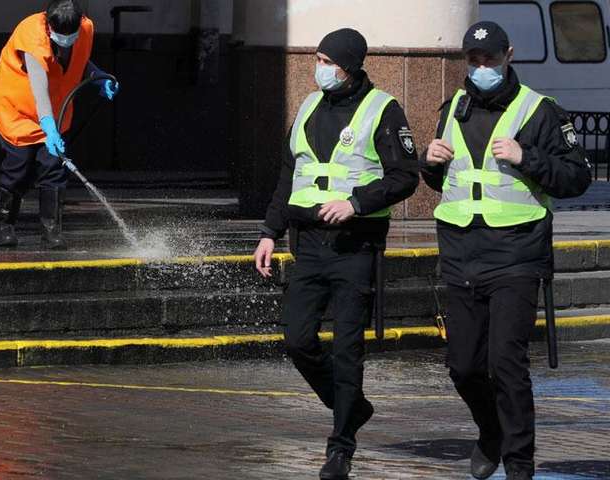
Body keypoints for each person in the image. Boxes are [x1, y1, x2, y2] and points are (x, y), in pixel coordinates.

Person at [420, 21, 591, 480]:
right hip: (461, 253)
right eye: (473, 60)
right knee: (463, 368)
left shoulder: (540, 111)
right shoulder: (453, 108)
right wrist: (428, 163)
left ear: (508, 55)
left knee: (506, 363)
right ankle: (491, 431)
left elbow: (578, 177)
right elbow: (445, 180)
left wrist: (525, 157)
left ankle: (519, 464)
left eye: (489, 59)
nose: (481, 68)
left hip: (516, 255)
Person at [253, 28, 418, 480]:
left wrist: (356, 203)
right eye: (317, 59)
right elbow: (289, 174)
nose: (319, 68)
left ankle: (341, 448)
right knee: (297, 340)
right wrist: (269, 231)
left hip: (354, 246)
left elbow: (405, 176)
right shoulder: (309, 105)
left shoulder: (382, 109)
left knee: (347, 350)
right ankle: (352, 407)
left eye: (327, 61)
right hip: (308, 244)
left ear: (348, 67)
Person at [0, 0, 120, 250]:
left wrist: (97, 78)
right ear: (49, 25)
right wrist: (48, 128)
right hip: (17, 109)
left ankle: (51, 232)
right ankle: (4, 227)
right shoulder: (31, 35)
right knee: (18, 167)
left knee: (54, 167)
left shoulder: (85, 28)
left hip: (56, 107)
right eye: (61, 35)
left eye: (72, 34)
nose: (67, 40)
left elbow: (79, 60)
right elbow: (39, 90)